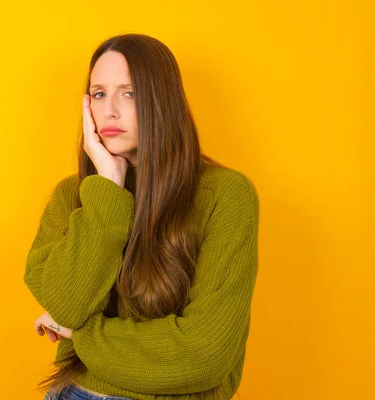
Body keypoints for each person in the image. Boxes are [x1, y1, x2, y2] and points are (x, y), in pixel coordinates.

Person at [23, 33, 259, 400]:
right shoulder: (74, 195)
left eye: (129, 93)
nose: (110, 111)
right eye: (99, 94)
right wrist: (108, 190)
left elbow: (205, 354)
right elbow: (66, 304)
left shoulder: (225, 195)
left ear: (161, 102)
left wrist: (84, 334)